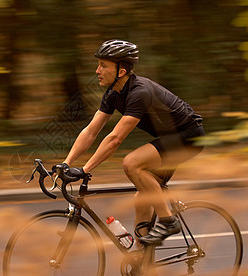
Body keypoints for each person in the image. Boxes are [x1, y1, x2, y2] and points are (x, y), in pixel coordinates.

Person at [55, 39, 205, 246]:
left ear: (122, 71)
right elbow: (91, 131)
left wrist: (85, 169)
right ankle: (142, 263)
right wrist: (67, 162)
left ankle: (168, 221)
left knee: (132, 163)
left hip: (189, 136)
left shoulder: (139, 92)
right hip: (170, 138)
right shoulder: (113, 94)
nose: (97, 70)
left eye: (103, 65)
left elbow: (115, 138)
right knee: (142, 199)